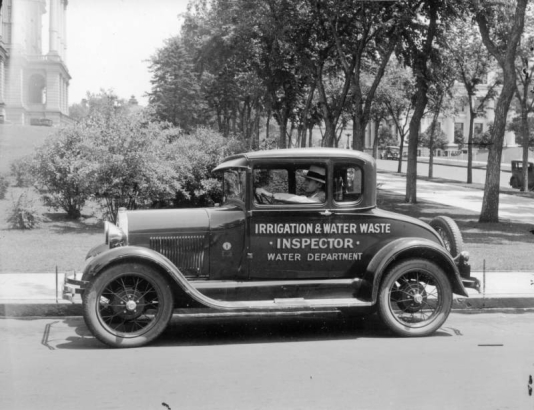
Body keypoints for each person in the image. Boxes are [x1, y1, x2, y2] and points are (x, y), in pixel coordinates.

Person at [255, 165, 326, 204]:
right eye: (306, 179)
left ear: (319, 184)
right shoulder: (312, 194)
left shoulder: (322, 196)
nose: (305, 182)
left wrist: (270, 194)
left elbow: (302, 200)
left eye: (309, 180)